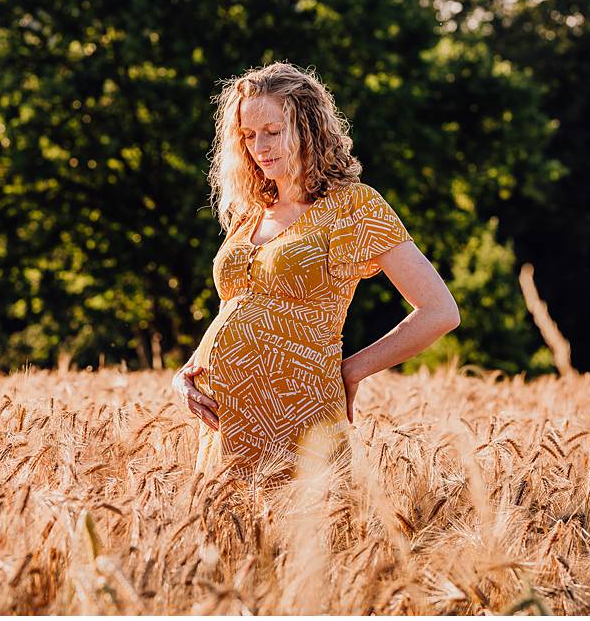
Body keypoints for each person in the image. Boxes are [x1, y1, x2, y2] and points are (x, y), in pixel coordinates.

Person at [170, 62, 461, 484]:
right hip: (223, 421)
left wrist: (352, 370)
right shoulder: (250, 213)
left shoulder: (354, 207)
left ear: (308, 127)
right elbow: (232, 308)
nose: (260, 147)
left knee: (311, 540)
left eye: (272, 131)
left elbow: (440, 311)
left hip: (301, 417)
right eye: (248, 136)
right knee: (229, 546)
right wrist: (188, 373)